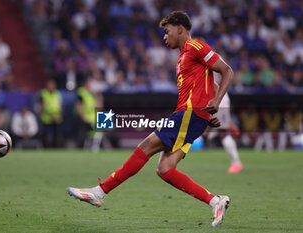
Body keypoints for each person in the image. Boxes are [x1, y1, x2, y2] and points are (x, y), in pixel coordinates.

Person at [67, 11, 233, 227]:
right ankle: (215, 201)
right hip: (192, 116)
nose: (165, 37)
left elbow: (226, 71)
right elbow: (212, 85)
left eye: (167, 31)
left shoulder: (195, 47)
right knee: (165, 169)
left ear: (180, 29)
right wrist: (208, 110)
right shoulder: (183, 58)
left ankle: (100, 192)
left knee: (145, 146)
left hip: (188, 114)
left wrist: (215, 104)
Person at [204, 80, 243, 173]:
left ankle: (237, 163)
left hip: (218, 98)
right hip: (217, 97)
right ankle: (230, 127)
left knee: (223, 132)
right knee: (220, 130)